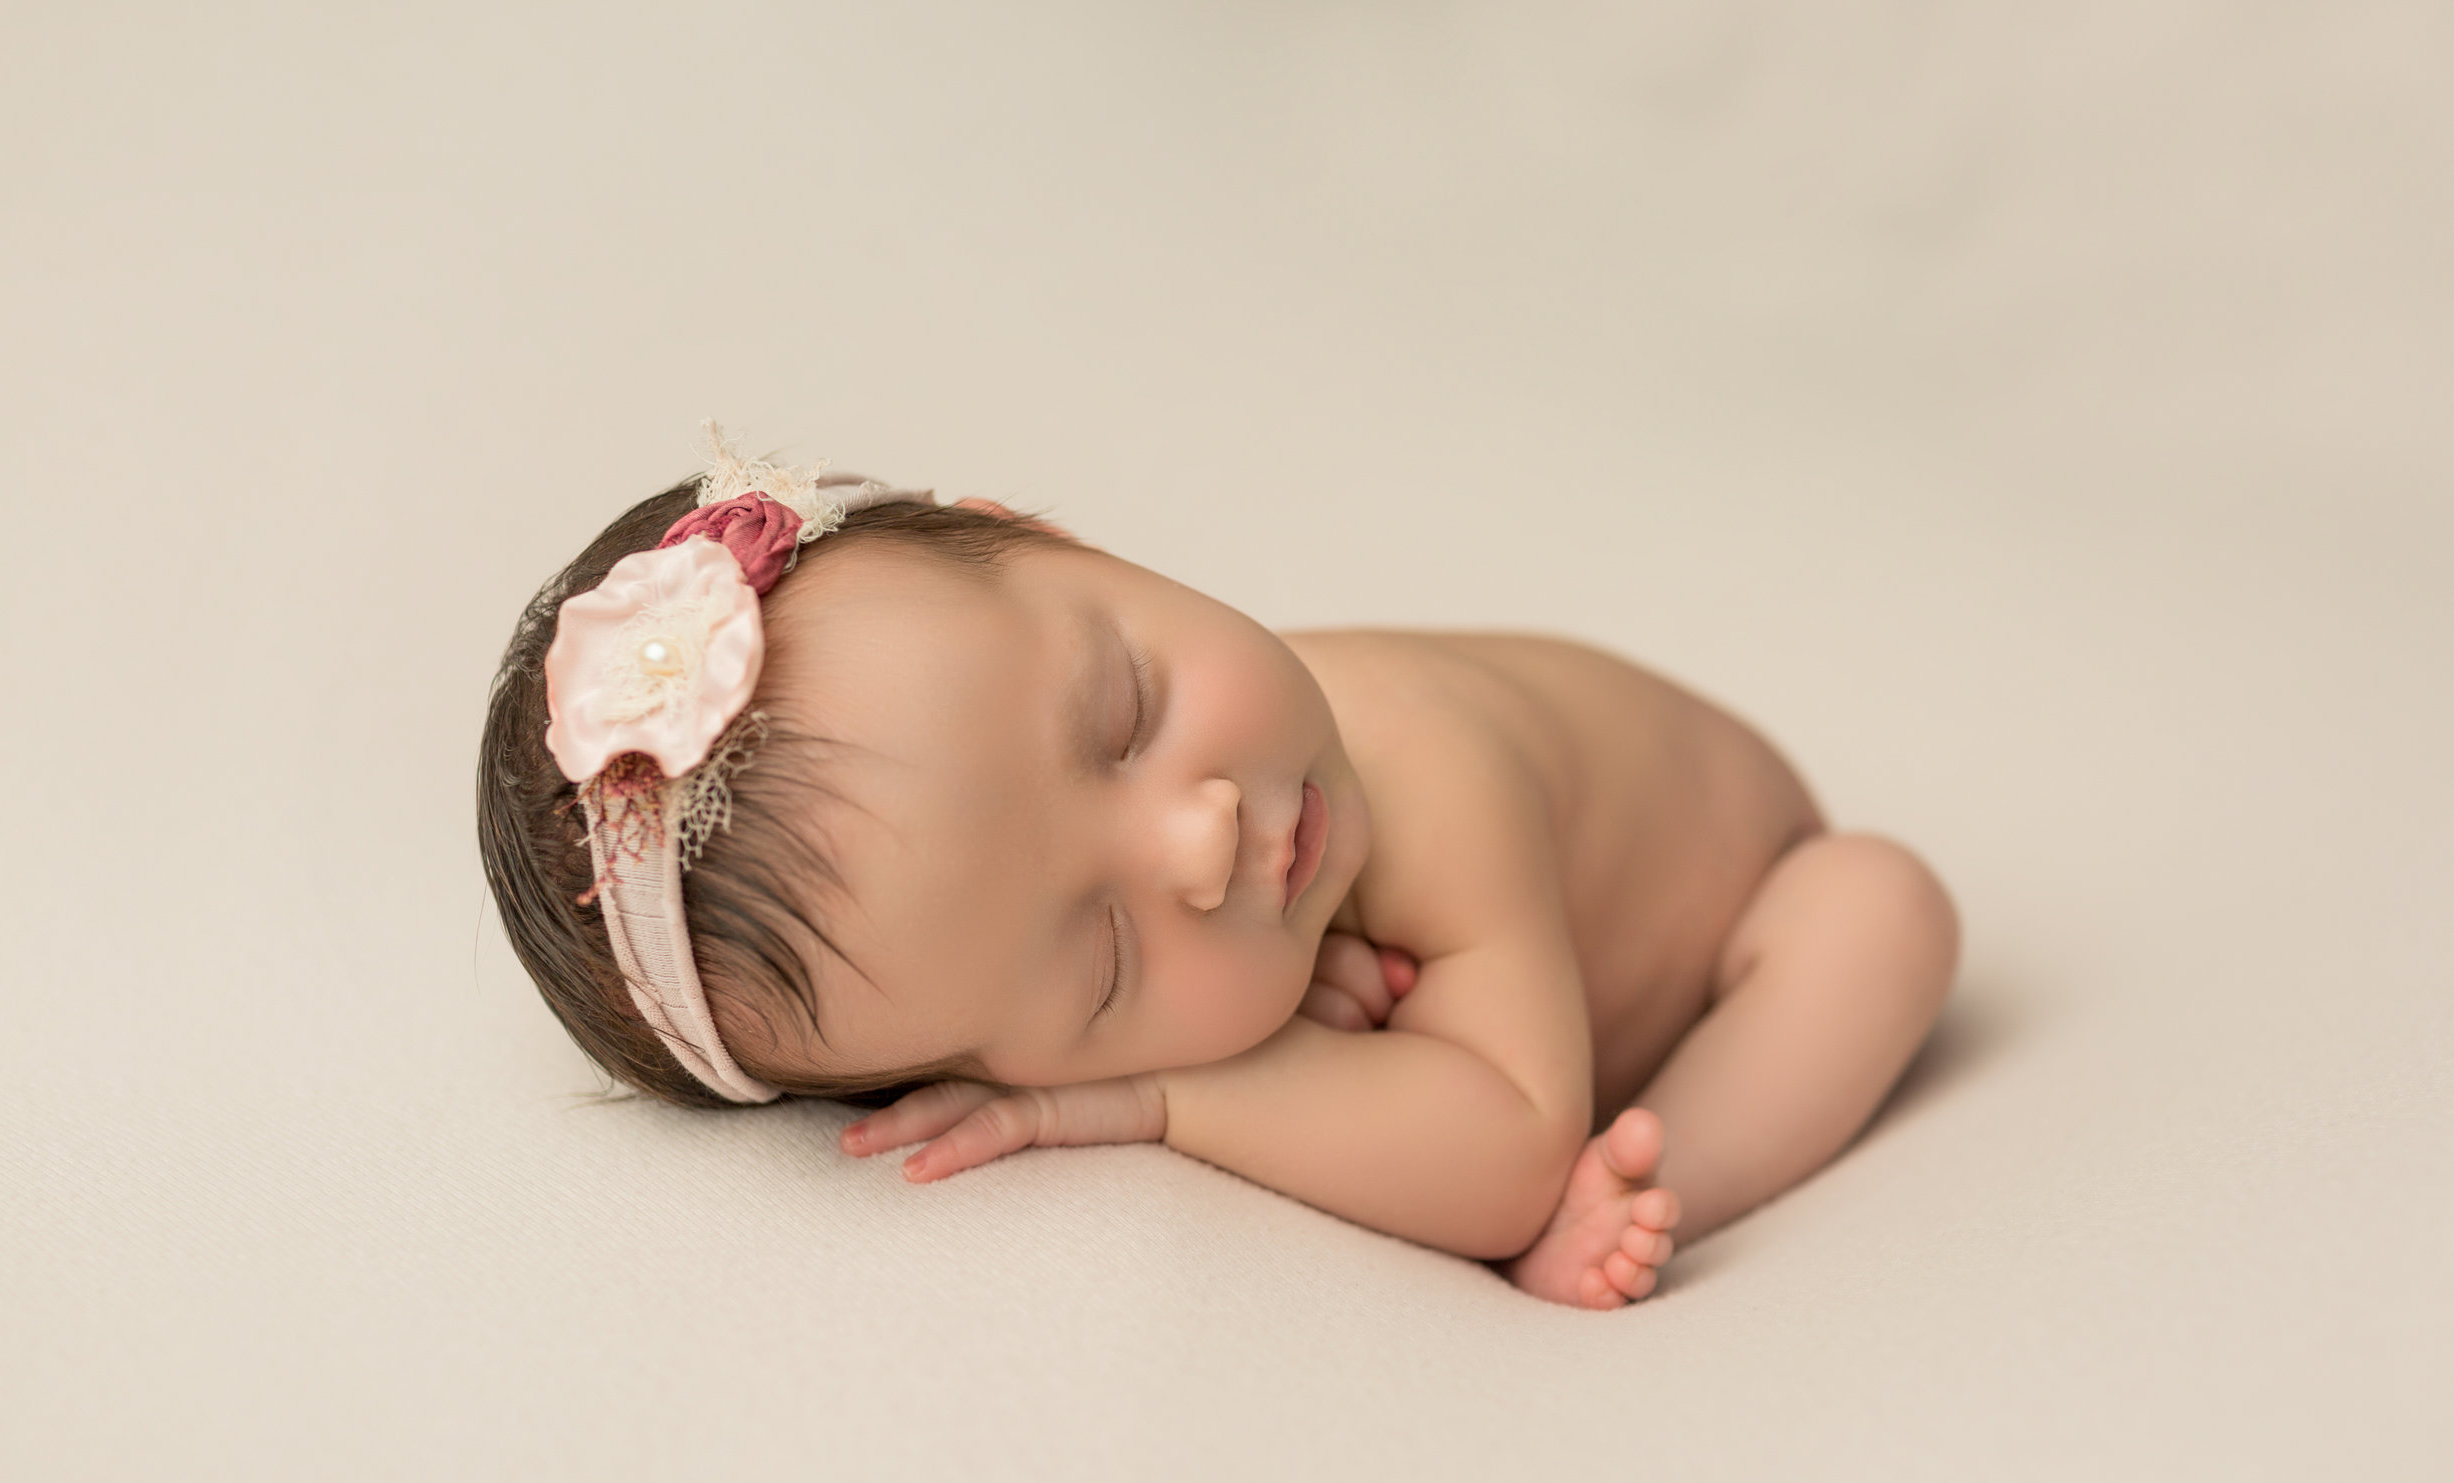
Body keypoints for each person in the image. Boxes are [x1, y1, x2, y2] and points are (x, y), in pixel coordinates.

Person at [478, 433, 1958, 1309]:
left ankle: (1660, 1174)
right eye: (1103, 965)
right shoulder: (1238, 820)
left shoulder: (1414, 757)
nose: (1201, 841)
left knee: (1879, 908)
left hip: (1747, 903)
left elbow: (1504, 1153)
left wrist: (1168, 1091)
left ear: (1048, 538)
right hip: (1537, 1018)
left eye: (1122, 717)